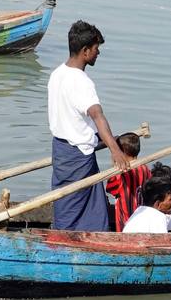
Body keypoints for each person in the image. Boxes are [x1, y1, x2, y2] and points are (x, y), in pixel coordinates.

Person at [48, 20, 130, 230]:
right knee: (72, 204)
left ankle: (77, 237)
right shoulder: (81, 81)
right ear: (85, 51)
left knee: (85, 203)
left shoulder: (57, 74)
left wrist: (110, 140)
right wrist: (115, 151)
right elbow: (97, 115)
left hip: (62, 149)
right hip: (77, 156)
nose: (98, 53)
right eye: (96, 49)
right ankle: (67, 243)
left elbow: (76, 119)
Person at [104, 133, 150, 231]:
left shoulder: (120, 173)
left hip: (126, 219)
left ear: (121, 152)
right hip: (142, 217)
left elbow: (111, 189)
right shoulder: (145, 168)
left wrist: (114, 165)